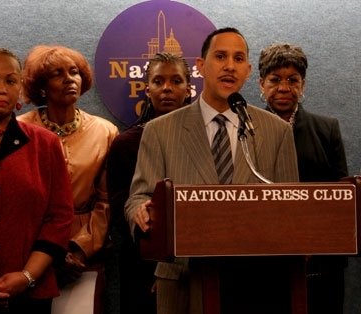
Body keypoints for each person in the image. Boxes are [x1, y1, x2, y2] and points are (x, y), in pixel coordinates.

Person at [125, 27, 299, 314]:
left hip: (256, 281)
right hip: (184, 279)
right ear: (201, 66)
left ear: (247, 70)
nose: (230, 66)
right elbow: (137, 197)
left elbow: (291, 208)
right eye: (221, 56)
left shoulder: (276, 131)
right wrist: (140, 211)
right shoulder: (159, 130)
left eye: (239, 58)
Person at [0, 47, 74, 314]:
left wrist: (26, 277)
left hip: (30, 296)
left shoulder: (45, 144)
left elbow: (59, 218)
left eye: (10, 80)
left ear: (20, 87)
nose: (1, 88)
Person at [17, 45, 119, 312]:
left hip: (85, 256)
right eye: (57, 74)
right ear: (41, 85)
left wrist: (79, 250)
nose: (69, 79)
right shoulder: (19, 130)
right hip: (28, 253)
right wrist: (49, 257)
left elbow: (108, 201)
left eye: (74, 72)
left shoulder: (105, 131)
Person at [258, 42, 348, 314]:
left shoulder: (327, 129)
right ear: (261, 85)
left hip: (321, 261)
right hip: (263, 260)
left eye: (292, 80)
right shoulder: (244, 131)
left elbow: (341, 197)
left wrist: (310, 239)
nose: (284, 88)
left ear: (303, 84)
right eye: (275, 80)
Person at [105, 52, 192, 314]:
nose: (167, 88)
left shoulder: (208, 140)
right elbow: (122, 215)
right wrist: (158, 271)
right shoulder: (125, 144)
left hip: (197, 265)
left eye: (176, 81)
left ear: (188, 89)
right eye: (158, 81)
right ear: (147, 89)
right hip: (141, 266)